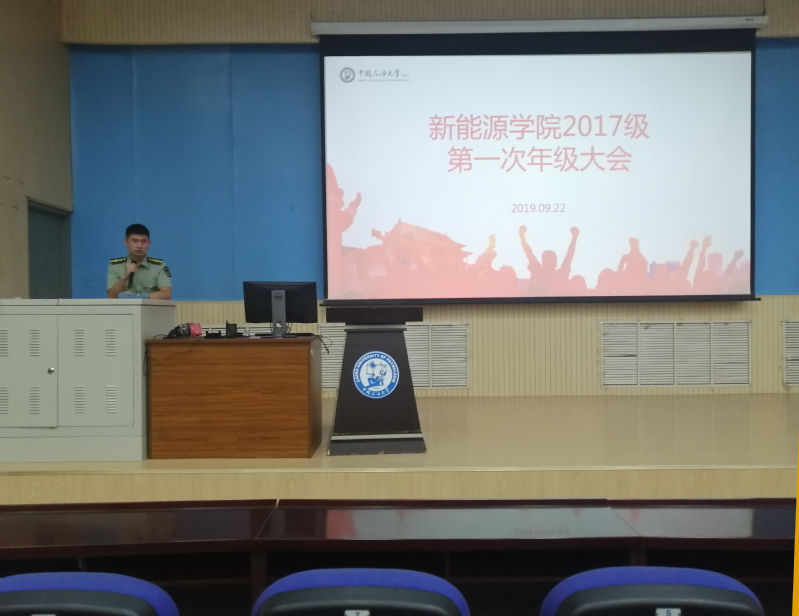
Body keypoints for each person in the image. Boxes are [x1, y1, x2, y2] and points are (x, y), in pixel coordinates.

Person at [107, 224, 172, 300]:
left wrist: (136, 297)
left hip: (149, 307)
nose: (139, 245)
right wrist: (124, 276)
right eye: (135, 241)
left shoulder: (159, 266)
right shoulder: (115, 265)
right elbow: (111, 296)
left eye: (143, 241)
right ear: (126, 242)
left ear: (149, 244)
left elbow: (166, 294)